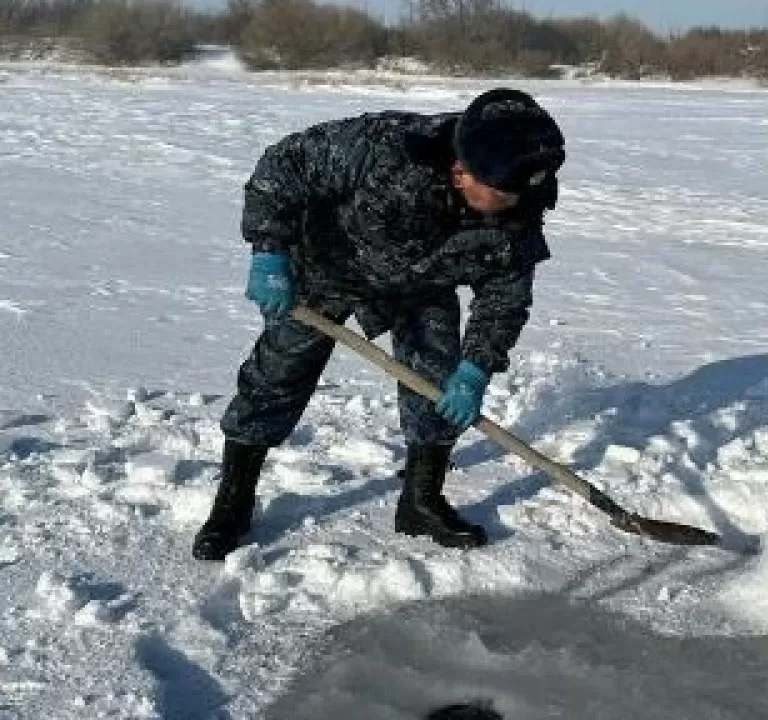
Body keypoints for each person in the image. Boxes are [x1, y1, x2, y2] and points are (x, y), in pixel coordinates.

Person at [192, 88, 565, 562]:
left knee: (438, 382)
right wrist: (269, 250)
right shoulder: (387, 147)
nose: (511, 205)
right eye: (499, 195)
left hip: (421, 285)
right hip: (324, 270)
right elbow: (282, 168)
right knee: (275, 379)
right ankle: (232, 507)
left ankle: (421, 502)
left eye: (518, 195)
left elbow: (504, 298)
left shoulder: (522, 204)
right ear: (461, 170)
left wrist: (475, 370)